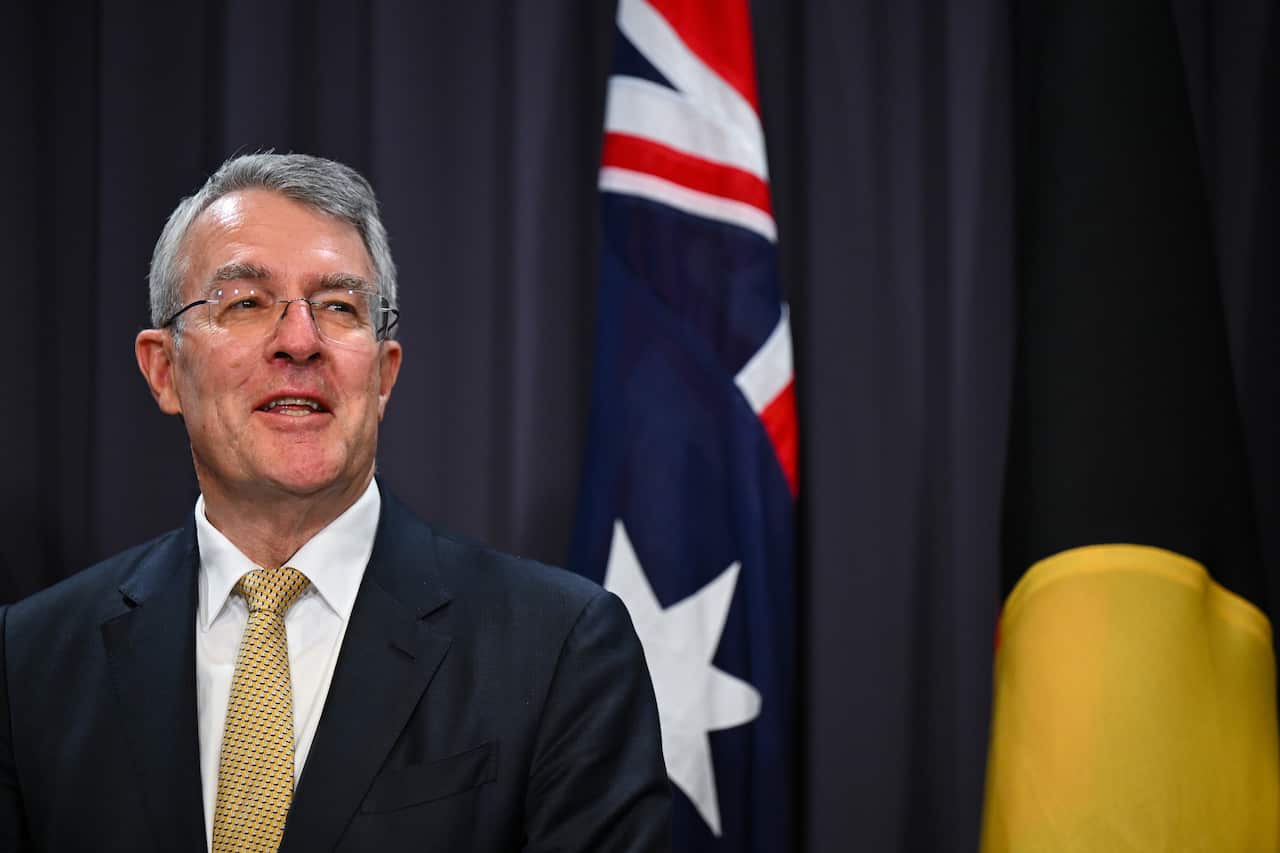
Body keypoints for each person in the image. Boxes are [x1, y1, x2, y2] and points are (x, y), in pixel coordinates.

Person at [0, 153, 670, 852]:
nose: (299, 341)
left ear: (383, 375)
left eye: (339, 307)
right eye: (247, 303)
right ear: (163, 368)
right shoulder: (28, 662)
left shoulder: (561, 646)